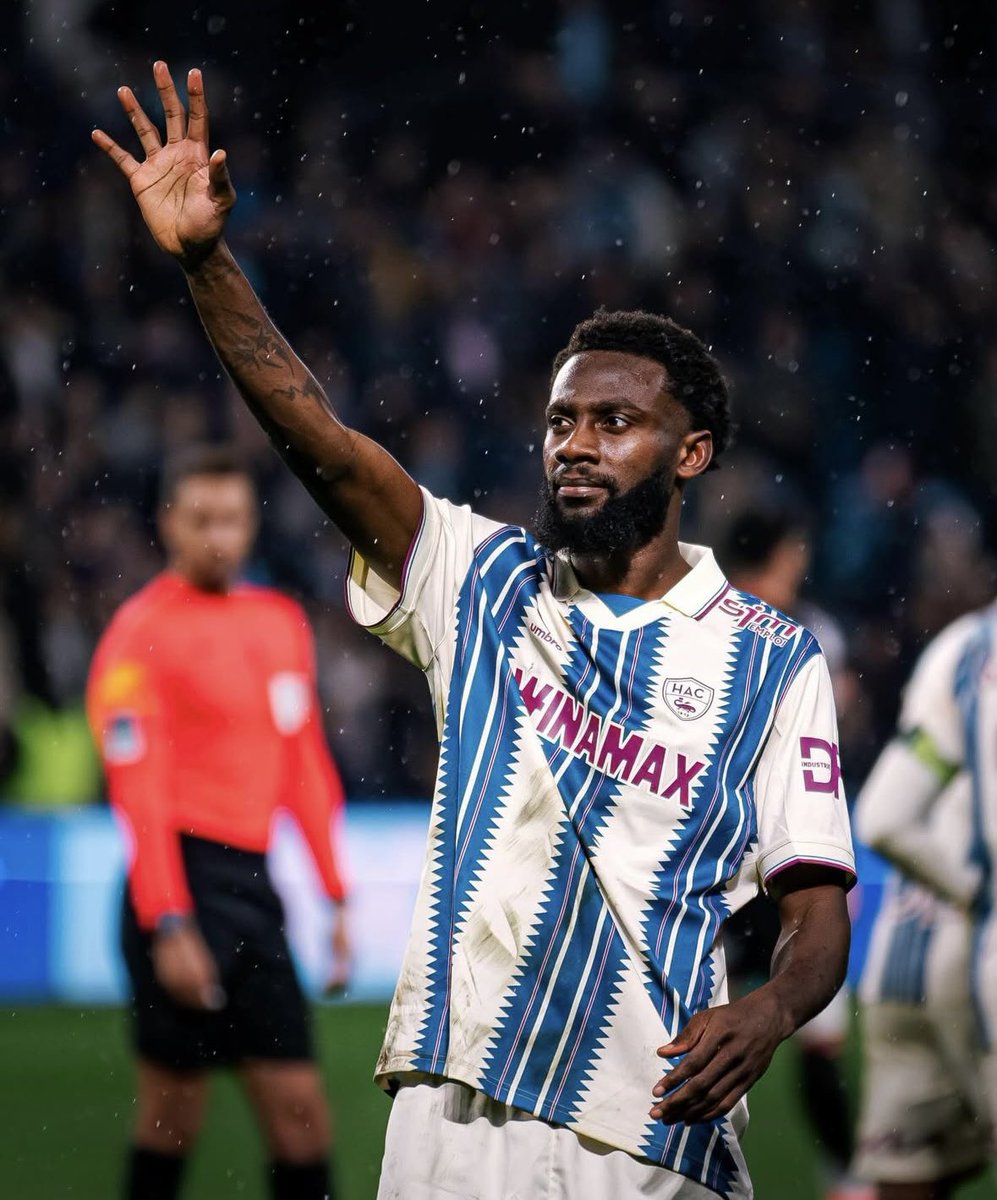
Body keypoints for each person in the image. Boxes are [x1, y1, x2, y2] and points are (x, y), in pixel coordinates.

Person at [93, 62, 856, 1200]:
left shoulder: (771, 657)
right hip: (445, 1119)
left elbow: (815, 906)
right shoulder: (481, 578)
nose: (577, 444)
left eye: (616, 422)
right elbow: (323, 440)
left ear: (690, 454)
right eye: (560, 422)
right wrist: (208, 265)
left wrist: (772, 1009)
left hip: (645, 1129)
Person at [86, 443, 351, 1200]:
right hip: (181, 884)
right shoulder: (138, 634)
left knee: (301, 1114)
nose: (218, 536)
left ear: (251, 521)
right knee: (173, 1116)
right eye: (200, 519)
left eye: (231, 519)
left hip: (253, 889)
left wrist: (334, 893)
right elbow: (138, 796)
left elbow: (303, 764)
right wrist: (168, 921)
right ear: (169, 522)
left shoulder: (278, 623)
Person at [721, 508, 872, 1200]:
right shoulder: (790, 634)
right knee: (732, 1034)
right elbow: (833, 751)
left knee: (802, 1034)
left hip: (765, 864)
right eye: (792, 556)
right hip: (757, 864)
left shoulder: (733, 625)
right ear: (777, 559)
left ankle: (846, 1179)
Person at [852, 609, 995, 1199]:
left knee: (910, 1178)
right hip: (974, 942)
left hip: (901, 954)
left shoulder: (964, 645)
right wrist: (980, 895)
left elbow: (884, 817)